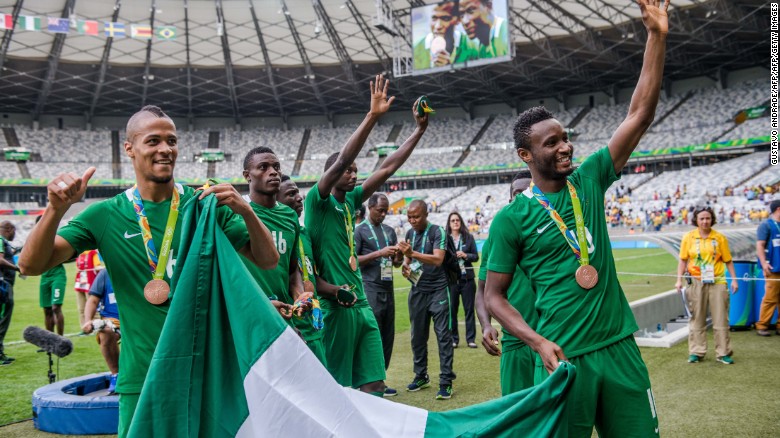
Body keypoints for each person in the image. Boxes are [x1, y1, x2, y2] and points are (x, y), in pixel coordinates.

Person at [18, 105, 279, 438]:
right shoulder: (106, 215)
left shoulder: (204, 204)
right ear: (130, 148)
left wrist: (246, 209)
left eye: (171, 140)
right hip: (142, 377)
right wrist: (55, 210)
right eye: (153, 140)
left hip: (207, 374)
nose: (165, 149)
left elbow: (269, 260)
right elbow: (30, 264)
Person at [484, 1, 669, 435]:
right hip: (562, 357)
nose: (565, 146)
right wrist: (535, 341)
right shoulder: (512, 219)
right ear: (526, 156)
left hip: (619, 346)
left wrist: (656, 36)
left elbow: (639, 114)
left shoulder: (588, 180)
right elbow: (495, 297)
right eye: (552, 143)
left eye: (566, 137)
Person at [304, 74, 427, 396]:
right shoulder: (317, 203)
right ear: (331, 175)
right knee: (335, 390)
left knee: (374, 385)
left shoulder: (351, 203)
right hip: (335, 307)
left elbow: (387, 169)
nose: (354, 172)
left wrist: (419, 130)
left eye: (356, 170)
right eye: (348, 170)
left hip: (361, 305)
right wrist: (372, 116)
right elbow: (343, 157)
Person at [240, 146, 315, 346]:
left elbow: (292, 271)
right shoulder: (236, 212)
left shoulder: (289, 215)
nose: (273, 172)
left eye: (276, 167)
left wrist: (300, 295)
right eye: (263, 167)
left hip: (283, 316)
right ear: (247, 176)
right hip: (247, 318)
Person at [475, 171, 538, 395]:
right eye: (516, 193)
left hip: (553, 335)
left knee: (557, 418)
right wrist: (485, 325)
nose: (521, 198)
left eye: (527, 192)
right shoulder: (498, 233)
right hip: (515, 341)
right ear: (510, 197)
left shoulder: (552, 229)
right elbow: (482, 289)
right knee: (519, 416)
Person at [399, 199, 456, 400]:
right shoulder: (409, 234)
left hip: (439, 289)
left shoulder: (437, 231)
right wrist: (406, 268)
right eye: (409, 217)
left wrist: (412, 253)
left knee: (443, 336)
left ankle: (446, 381)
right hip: (417, 290)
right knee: (417, 336)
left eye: (416, 217)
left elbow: (438, 259)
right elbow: (407, 262)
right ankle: (421, 375)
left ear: (425, 215)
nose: (412, 221)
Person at [276, 174, 328, 365]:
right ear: (276, 200)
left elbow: (312, 277)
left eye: (298, 192)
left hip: (314, 324)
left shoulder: (305, 233)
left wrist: (336, 289)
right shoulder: (273, 235)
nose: (299, 198)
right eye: (291, 194)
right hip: (293, 328)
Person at [675, 207, 737, 364]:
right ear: (696, 220)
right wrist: (678, 280)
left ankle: (723, 353)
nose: (704, 221)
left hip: (717, 281)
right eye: (701, 218)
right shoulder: (688, 237)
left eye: (708, 218)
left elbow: (728, 260)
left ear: (712, 219)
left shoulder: (720, 238)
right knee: (697, 317)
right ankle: (696, 351)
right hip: (696, 282)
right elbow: (683, 260)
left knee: (721, 318)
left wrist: (734, 280)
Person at [354, 193, 403, 383]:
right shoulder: (359, 231)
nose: (383, 214)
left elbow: (396, 264)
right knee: (372, 336)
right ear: (371, 207)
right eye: (380, 211)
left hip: (387, 288)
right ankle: (370, 381)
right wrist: (378, 253)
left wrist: (399, 255)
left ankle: (382, 378)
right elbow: (353, 261)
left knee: (387, 336)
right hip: (370, 288)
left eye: (386, 211)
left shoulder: (390, 231)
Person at [82, 269, 121, 394]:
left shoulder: (140, 267)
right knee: (105, 332)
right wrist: (88, 321)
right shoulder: (104, 274)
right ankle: (116, 375)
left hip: (137, 317)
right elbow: (93, 300)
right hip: (114, 319)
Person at [446, 211, 479, 348]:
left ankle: (470, 339)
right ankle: (454, 339)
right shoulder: (445, 239)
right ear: (449, 223)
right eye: (453, 220)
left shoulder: (468, 237)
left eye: (457, 220)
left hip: (467, 279)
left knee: (469, 310)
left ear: (461, 222)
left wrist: (465, 255)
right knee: (452, 310)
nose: (455, 222)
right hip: (452, 279)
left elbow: (476, 257)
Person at [413, 1, 474, 70]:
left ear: (458, 20)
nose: (438, 26)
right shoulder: (415, 49)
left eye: (445, 19)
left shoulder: (473, 47)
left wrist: (449, 67)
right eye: (434, 18)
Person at [756, 199, 780, 336]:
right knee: (770, 298)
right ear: (778, 209)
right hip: (773, 268)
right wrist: (764, 263)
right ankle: (762, 325)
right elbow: (760, 245)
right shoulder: (766, 225)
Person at [0, 221, 20, 365]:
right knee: (2, 318)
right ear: (9, 229)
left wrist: (13, 252)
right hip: (3, 286)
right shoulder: (0, 240)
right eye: (14, 231)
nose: (15, 235)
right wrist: (17, 268)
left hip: (5, 285)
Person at [75, 249, 103, 330]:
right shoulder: (79, 253)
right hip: (80, 284)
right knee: (81, 308)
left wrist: (99, 268)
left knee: (93, 307)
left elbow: (97, 266)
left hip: (90, 284)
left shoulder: (92, 253)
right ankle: (84, 328)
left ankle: (96, 327)